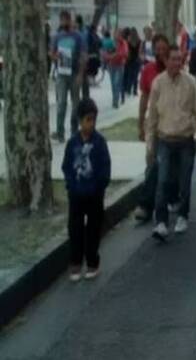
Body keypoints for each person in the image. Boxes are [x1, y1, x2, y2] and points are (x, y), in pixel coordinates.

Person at [145, 45, 196, 241]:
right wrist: (150, 145)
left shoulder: (190, 83)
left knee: (184, 181)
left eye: (180, 59)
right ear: (165, 60)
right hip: (164, 139)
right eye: (173, 59)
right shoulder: (158, 84)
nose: (177, 63)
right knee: (162, 181)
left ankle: (182, 215)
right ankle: (161, 222)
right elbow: (152, 117)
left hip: (185, 140)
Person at [62, 98, 111, 282]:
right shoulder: (72, 143)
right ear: (80, 120)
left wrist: (100, 186)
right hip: (76, 194)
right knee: (75, 229)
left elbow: (105, 167)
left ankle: (92, 262)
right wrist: (70, 186)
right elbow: (67, 166)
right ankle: (75, 262)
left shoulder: (99, 142)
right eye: (87, 120)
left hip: (94, 194)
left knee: (93, 229)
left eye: (93, 120)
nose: (90, 124)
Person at [134, 34, 175, 223]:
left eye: (163, 48)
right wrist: (141, 123)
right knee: (152, 163)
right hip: (154, 124)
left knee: (166, 165)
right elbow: (144, 98)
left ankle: (162, 200)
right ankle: (146, 205)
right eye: (156, 49)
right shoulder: (148, 70)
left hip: (172, 125)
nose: (159, 52)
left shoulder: (174, 69)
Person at [51, 10, 87, 143]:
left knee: (75, 103)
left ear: (70, 21)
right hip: (61, 74)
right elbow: (52, 53)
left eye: (66, 20)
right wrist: (56, 56)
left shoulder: (78, 37)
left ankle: (73, 130)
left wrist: (80, 75)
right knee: (61, 103)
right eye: (62, 20)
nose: (64, 22)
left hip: (74, 74)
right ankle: (60, 132)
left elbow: (83, 56)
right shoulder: (57, 37)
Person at [104, 28, 128, 109]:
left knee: (117, 83)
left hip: (120, 65)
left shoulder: (123, 43)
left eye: (118, 34)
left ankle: (116, 101)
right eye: (115, 33)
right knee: (113, 84)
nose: (116, 35)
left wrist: (116, 55)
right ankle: (115, 98)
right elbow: (105, 53)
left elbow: (125, 53)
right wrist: (109, 56)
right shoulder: (110, 42)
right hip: (111, 65)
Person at [123, 28, 142, 99]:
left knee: (130, 75)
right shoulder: (139, 41)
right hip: (137, 60)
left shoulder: (128, 41)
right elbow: (140, 51)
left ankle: (128, 89)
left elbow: (127, 51)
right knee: (136, 76)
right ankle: (135, 90)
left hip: (130, 60)